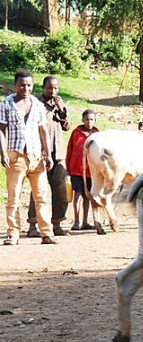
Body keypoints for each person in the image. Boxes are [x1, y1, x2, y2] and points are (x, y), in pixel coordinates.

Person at [0, 69, 56, 245]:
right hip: (15, 157)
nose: (25, 88)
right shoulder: (6, 104)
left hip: (36, 156)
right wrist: (2, 153)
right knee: (13, 197)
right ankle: (13, 233)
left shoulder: (38, 105)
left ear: (33, 86)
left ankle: (46, 233)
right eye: (22, 85)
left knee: (42, 196)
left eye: (29, 85)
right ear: (15, 85)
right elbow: (1, 130)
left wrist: (47, 153)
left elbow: (43, 130)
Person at [26, 75, 71, 238]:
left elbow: (67, 126)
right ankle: (33, 224)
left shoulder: (58, 103)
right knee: (38, 190)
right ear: (43, 88)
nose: (52, 91)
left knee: (60, 190)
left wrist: (61, 109)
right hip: (39, 153)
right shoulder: (35, 104)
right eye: (49, 88)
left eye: (55, 88)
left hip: (58, 153)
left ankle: (57, 223)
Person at [65, 109, 99, 231]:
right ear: (82, 120)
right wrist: (68, 168)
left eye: (91, 119)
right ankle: (76, 221)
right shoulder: (76, 133)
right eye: (87, 119)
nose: (89, 122)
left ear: (95, 120)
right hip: (76, 169)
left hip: (91, 171)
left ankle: (85, 221)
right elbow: (69, 150)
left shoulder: (97, 134)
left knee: (87, 197)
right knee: (77, 195)